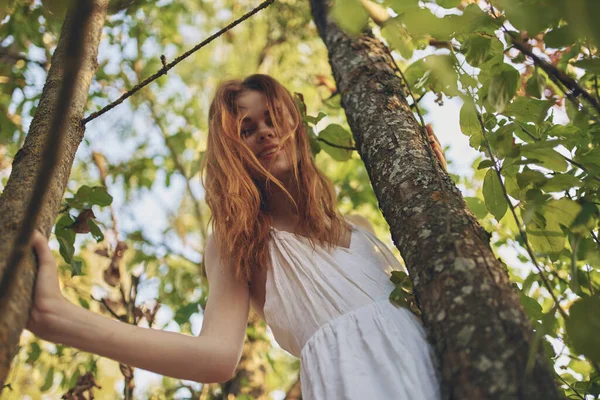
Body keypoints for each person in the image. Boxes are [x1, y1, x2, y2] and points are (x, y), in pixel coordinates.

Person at [26, 74, 445, 398]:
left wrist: (439, 187)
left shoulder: (361, 225)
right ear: (232, 150)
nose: (264, 132)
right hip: (351, 383)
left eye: (272, 119)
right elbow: (215, 358)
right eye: (247, 128)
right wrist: (61, 318)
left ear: (296, 128)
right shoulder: (241, 240)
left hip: (438, 368)